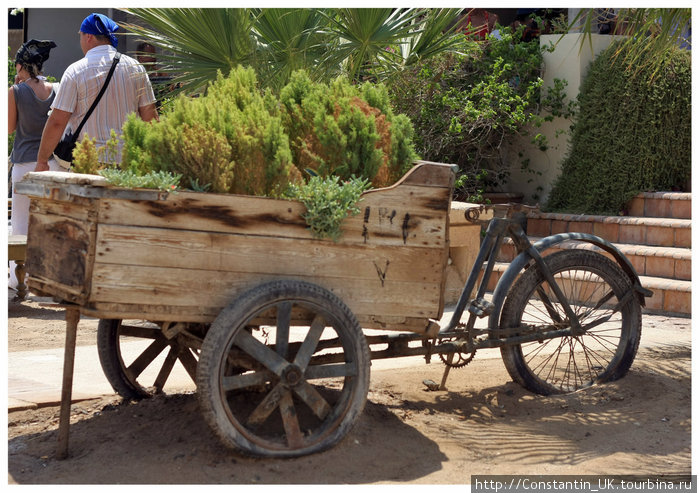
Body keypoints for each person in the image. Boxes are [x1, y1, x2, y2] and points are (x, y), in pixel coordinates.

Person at [35, 13, 158, 171]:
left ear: (88, 37)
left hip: (87, 164)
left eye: (80, 36)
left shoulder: (75, 71)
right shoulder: (135, 67)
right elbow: (150, 118)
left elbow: (57, 121)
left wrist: (42, 160)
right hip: (127, 164)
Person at [8, 39, 62, 290]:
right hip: (50, 163)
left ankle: (18, 279)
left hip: (23, 164)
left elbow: (9, 128)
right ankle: (48, 277)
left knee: (20, 223)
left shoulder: (15, 91)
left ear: (21, 66)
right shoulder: (56, 89)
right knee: (48, 220)